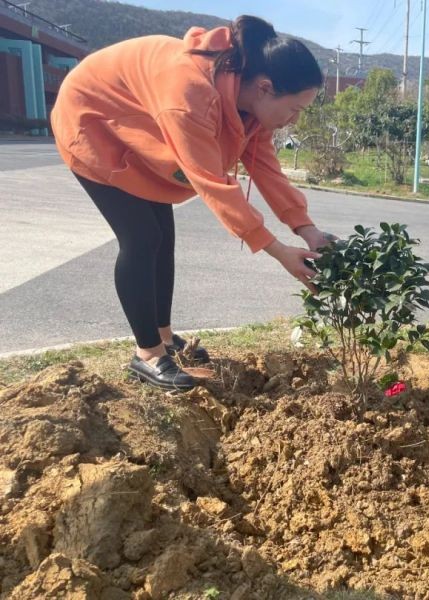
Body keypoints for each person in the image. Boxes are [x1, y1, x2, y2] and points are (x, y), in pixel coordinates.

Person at [51, 15, 333, 390]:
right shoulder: (190, 94)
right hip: (93, 121)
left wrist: (307, 229)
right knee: (142, 238)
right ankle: (147, 354)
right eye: (295, 109)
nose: (294, 120)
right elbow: (213, 183)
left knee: (163, 238)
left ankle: (165, 337)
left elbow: (266, 167)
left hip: (140, 124)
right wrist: (279, 251)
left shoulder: (248, 101)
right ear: (265, 88)